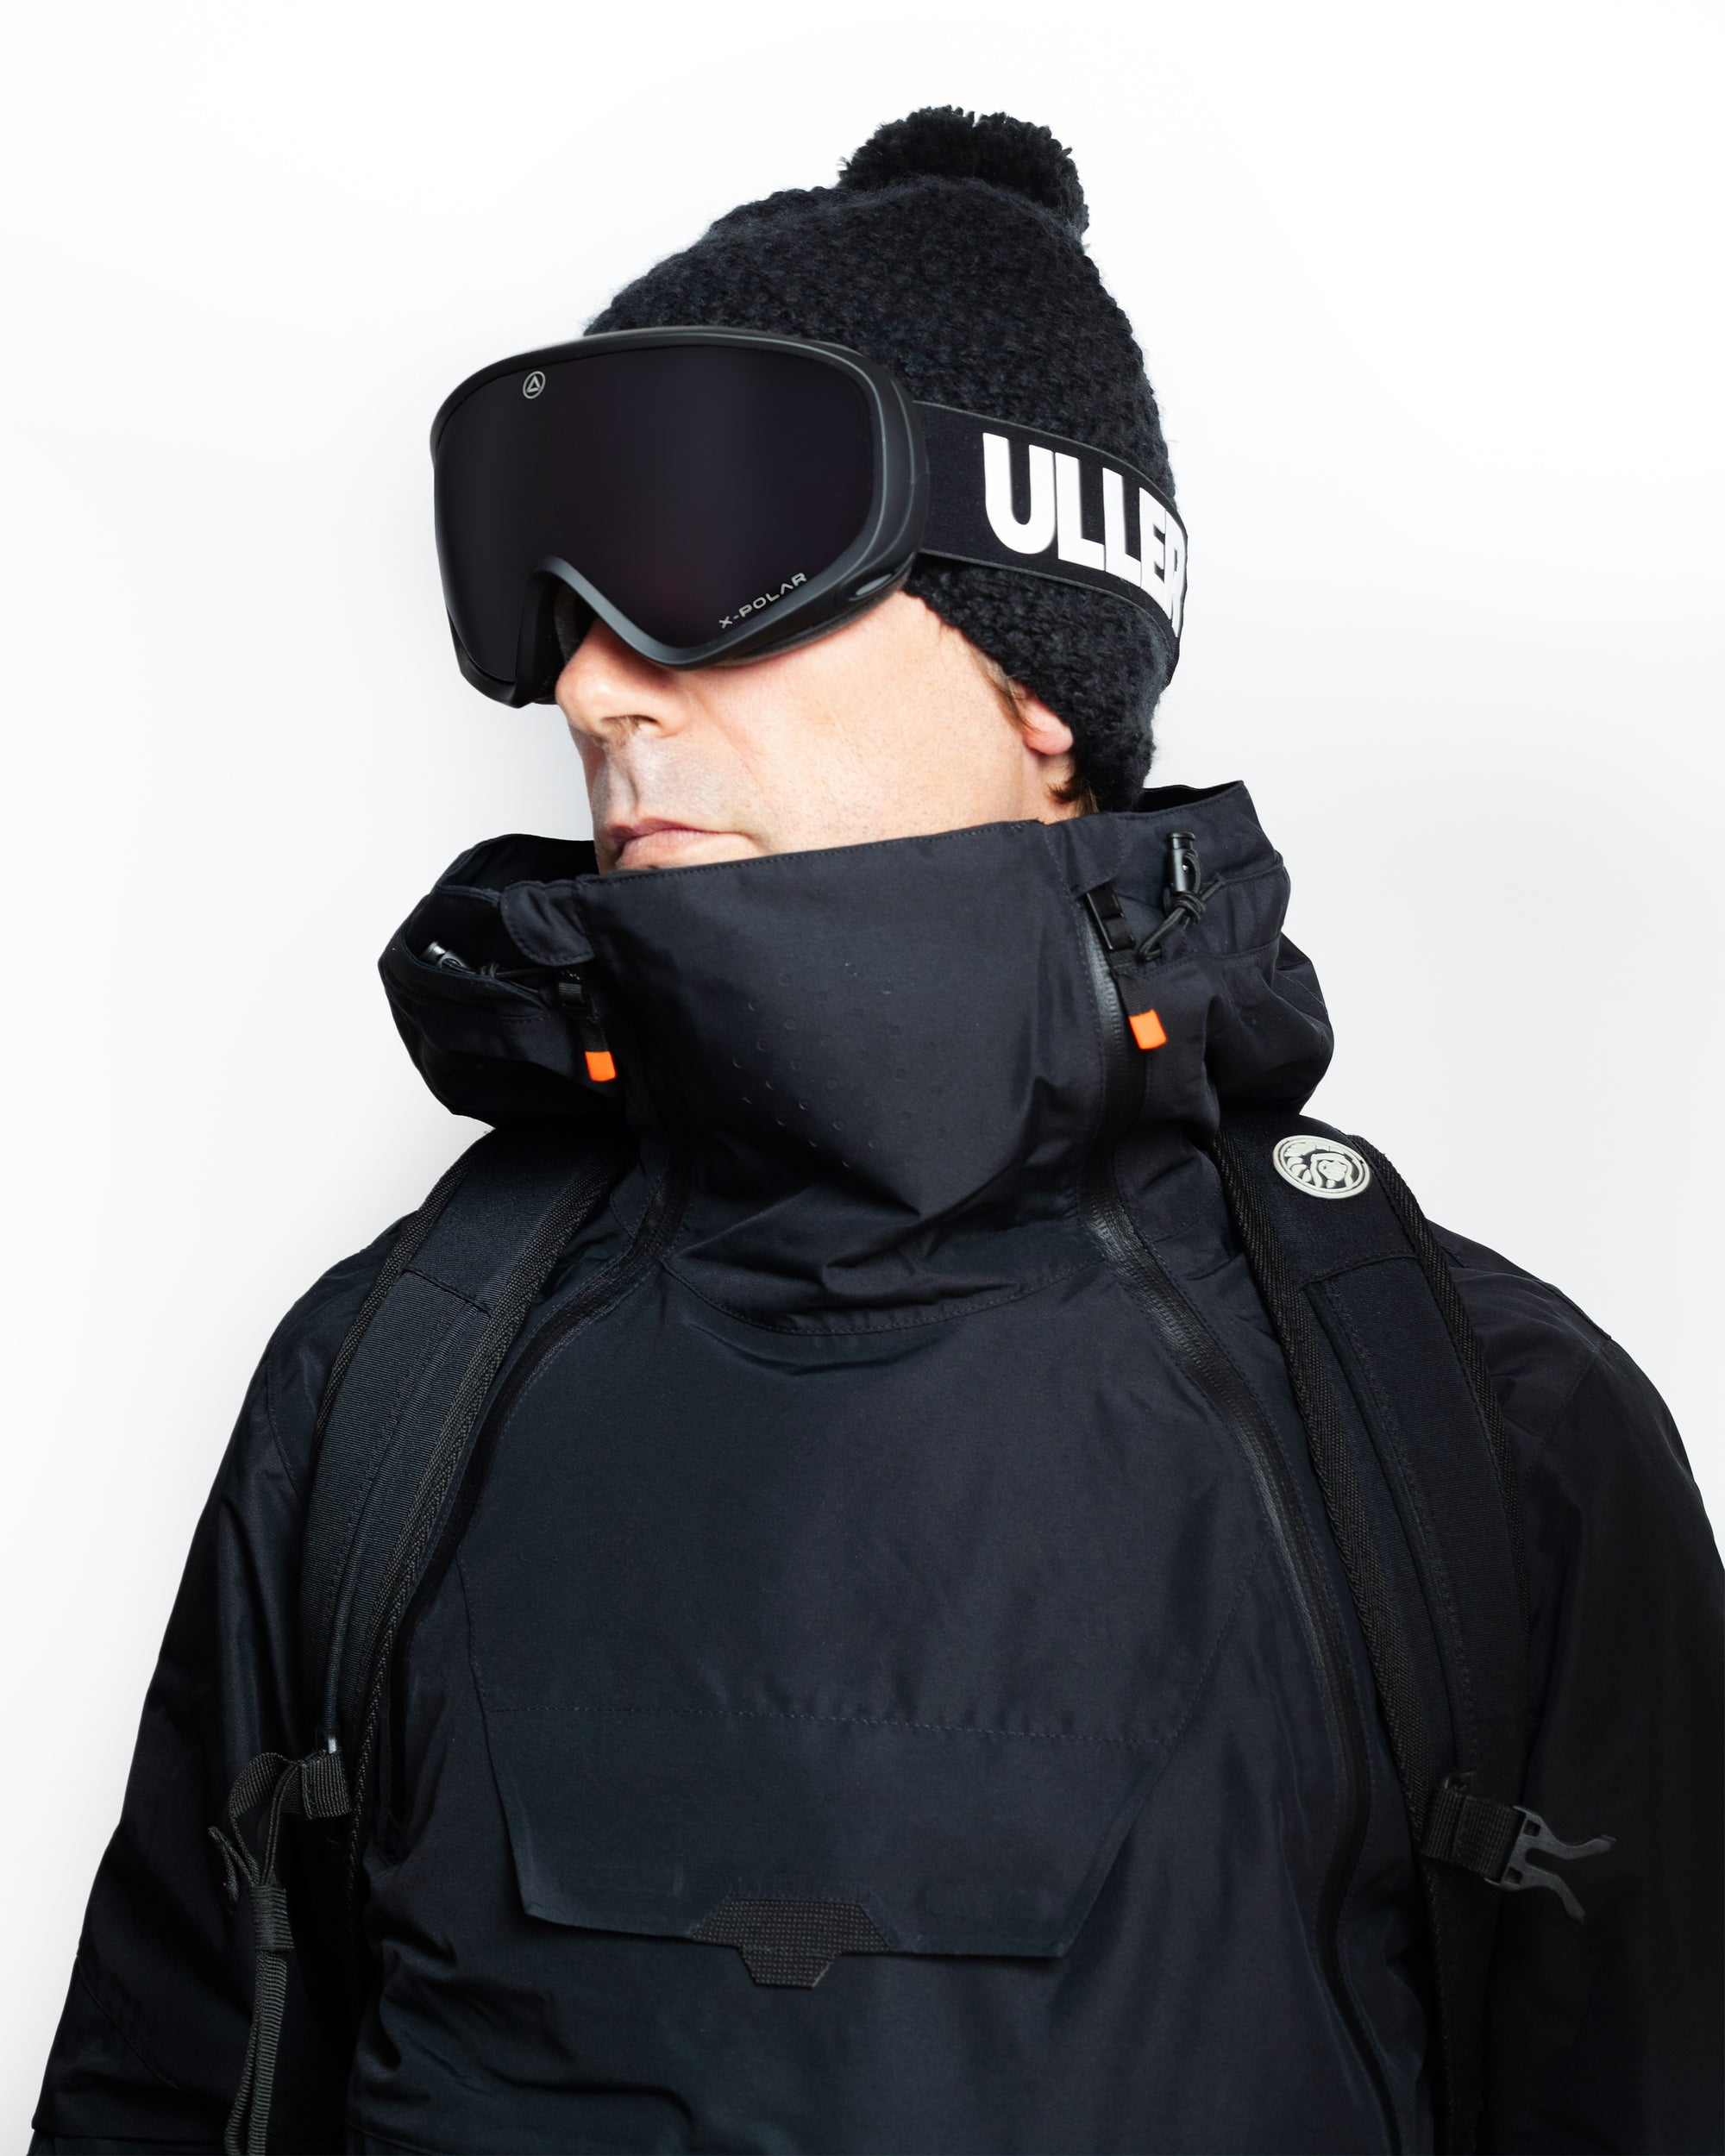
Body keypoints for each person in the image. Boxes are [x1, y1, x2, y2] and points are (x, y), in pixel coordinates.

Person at [31, 107, 1722, 2156]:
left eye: (710, 558)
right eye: (556, 593)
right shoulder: (383, 1384)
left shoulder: (1478, 1436)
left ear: (1041, 672)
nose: (592, 685)